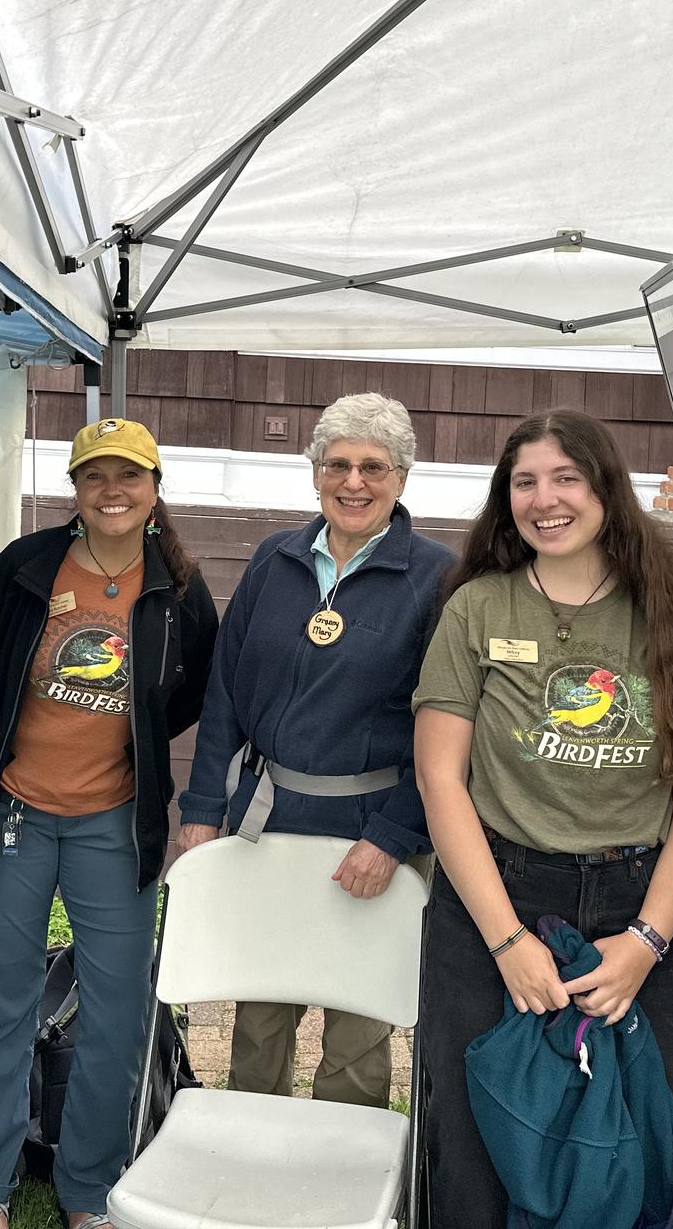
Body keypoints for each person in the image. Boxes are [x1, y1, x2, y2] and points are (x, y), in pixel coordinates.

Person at [413, 409, 673, 1227]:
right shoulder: (477, 609)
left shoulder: (672, 613)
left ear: (605, 490)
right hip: (497, 897)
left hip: (641, 901)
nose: (544, 499)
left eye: (566, 478)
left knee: (655, 1131)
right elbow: (441, 779)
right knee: (479, 1139)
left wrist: (650, 941)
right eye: (525, 482)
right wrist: (508, 942)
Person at [0, 417, 218, 1229]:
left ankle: (87, 1191)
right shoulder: (27, 567)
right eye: (95, 476)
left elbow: (189, 692)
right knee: (3, 1005)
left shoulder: (178, 585)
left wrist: (129, 736)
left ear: (155, 489)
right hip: (15, 815)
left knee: (119, 1011)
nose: (112, 491)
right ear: (75, 488)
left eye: (128, 476)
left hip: (114, 823)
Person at [177, 392, 453, 1107]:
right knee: (260, 1019)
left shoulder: (437, 579)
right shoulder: (277, 559)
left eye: (372, 467)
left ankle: (343, 1179)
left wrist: (394, 837)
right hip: (268, 824)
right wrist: (205, 809)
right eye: (337, 464)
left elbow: (451, 728)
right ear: (315, 472)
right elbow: (225, 695)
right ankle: (249, 1165)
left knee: (358, 1030)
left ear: (402, 478)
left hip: (372, 833)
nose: (352, 482)